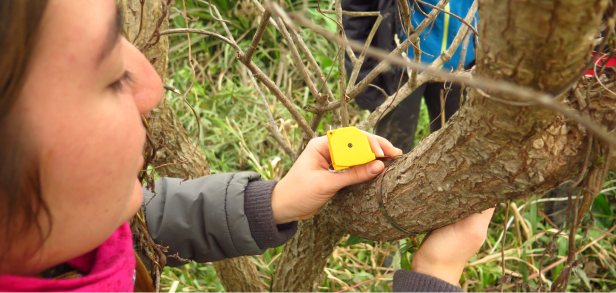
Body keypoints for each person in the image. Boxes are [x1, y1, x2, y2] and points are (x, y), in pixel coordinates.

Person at [0, 0, 493, 292]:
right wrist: (436, 273)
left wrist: (273, 201)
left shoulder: (69, 236)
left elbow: (143, 224)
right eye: (110, 77)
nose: (153, 87)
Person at [343, 0, 476, 153]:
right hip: (399, 65)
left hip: (461, 64)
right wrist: (365, 77)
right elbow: (355, 12)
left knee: (454, 146)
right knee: (391, 150)